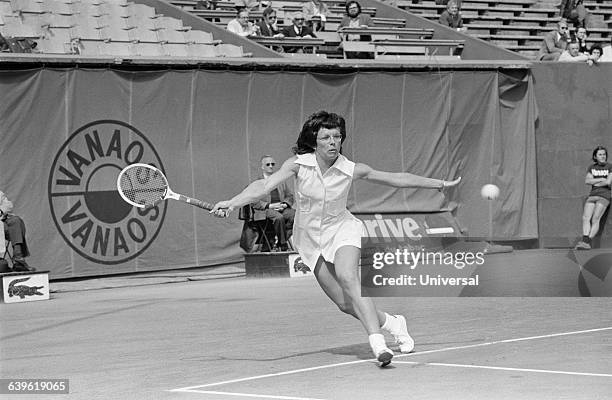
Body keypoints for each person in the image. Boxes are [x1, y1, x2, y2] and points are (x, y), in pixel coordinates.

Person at [211, 111, 461, 366]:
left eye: (337, 136)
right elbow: (261, 187)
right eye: (326, 137)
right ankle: (392, 322)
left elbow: (396, 179)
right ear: (314, 141)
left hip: (342, 228)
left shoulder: (351, 169)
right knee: (344, 303)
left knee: (348, 276)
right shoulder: (297, 165)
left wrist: (439, 184)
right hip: (308, 238)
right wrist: (232, 203)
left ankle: (378, 343)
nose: (333, 142)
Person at [246, 155, 295, 251]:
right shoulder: (257, 182)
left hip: (281, 208)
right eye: (268, 164)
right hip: (265, 210)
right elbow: (252, 200)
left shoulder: (279, 180)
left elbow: (290, 196)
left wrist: (285, 204)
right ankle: (282, 243)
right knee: (279, 218)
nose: (271, 166)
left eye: (273, 164)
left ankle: (279, 238)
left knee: (296, 215)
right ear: (262, 167)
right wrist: (269, 205)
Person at [575, 146, 612, 250]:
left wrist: (595, 181)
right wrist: (601, 178)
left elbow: (608, 182)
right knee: (585, 218)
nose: (603, 156)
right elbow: (587, 181)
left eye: (604, 154)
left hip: (604, 195)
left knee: (596, 218)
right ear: (595, 156)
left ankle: (587, 242)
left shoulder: (610, 167)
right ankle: (585, 241)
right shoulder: (592, 167)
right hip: (592, 195)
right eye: (600, 154)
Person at [0, 191, 35, 272]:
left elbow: (8, 205)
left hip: (2, 222)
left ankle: (18, 259)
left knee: (16, 221)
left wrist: (1, 211)